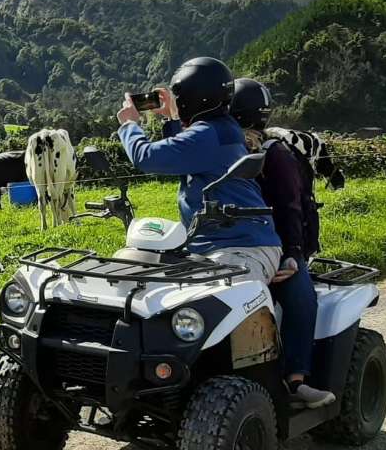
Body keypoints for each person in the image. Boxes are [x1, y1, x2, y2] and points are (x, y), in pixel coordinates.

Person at [116, 57, 281, 284]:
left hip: (242, 249)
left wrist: (129, 125)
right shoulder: (221, 127)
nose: (178, 101)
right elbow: (184, 154)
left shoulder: (208, 134)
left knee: (216, 303)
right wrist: (173, 118)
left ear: (192, 97)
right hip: (219, 245)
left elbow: (146, 157)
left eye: (179, 96)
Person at [230, 78, 335, 408]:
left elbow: (290, 208)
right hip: (230, 244)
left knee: (301, 298)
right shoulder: (220, 150)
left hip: (276, 247)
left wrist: (291, 255)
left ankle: (296, 381)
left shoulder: (274, 156)